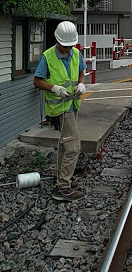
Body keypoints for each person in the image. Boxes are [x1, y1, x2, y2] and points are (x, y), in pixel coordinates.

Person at [33, 21, 86, 201]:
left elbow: (81, 72)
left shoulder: (76, 53)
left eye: (71, 45)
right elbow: (37, 81)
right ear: (57, 41)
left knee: (65, 144)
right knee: (73, 147)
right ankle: (63, 187)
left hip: (73, 105)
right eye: (65, 45)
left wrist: (81, 84)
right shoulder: (48, 57)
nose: (68, 48)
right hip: (59, 108)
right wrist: (54, 88)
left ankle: (62, 178)